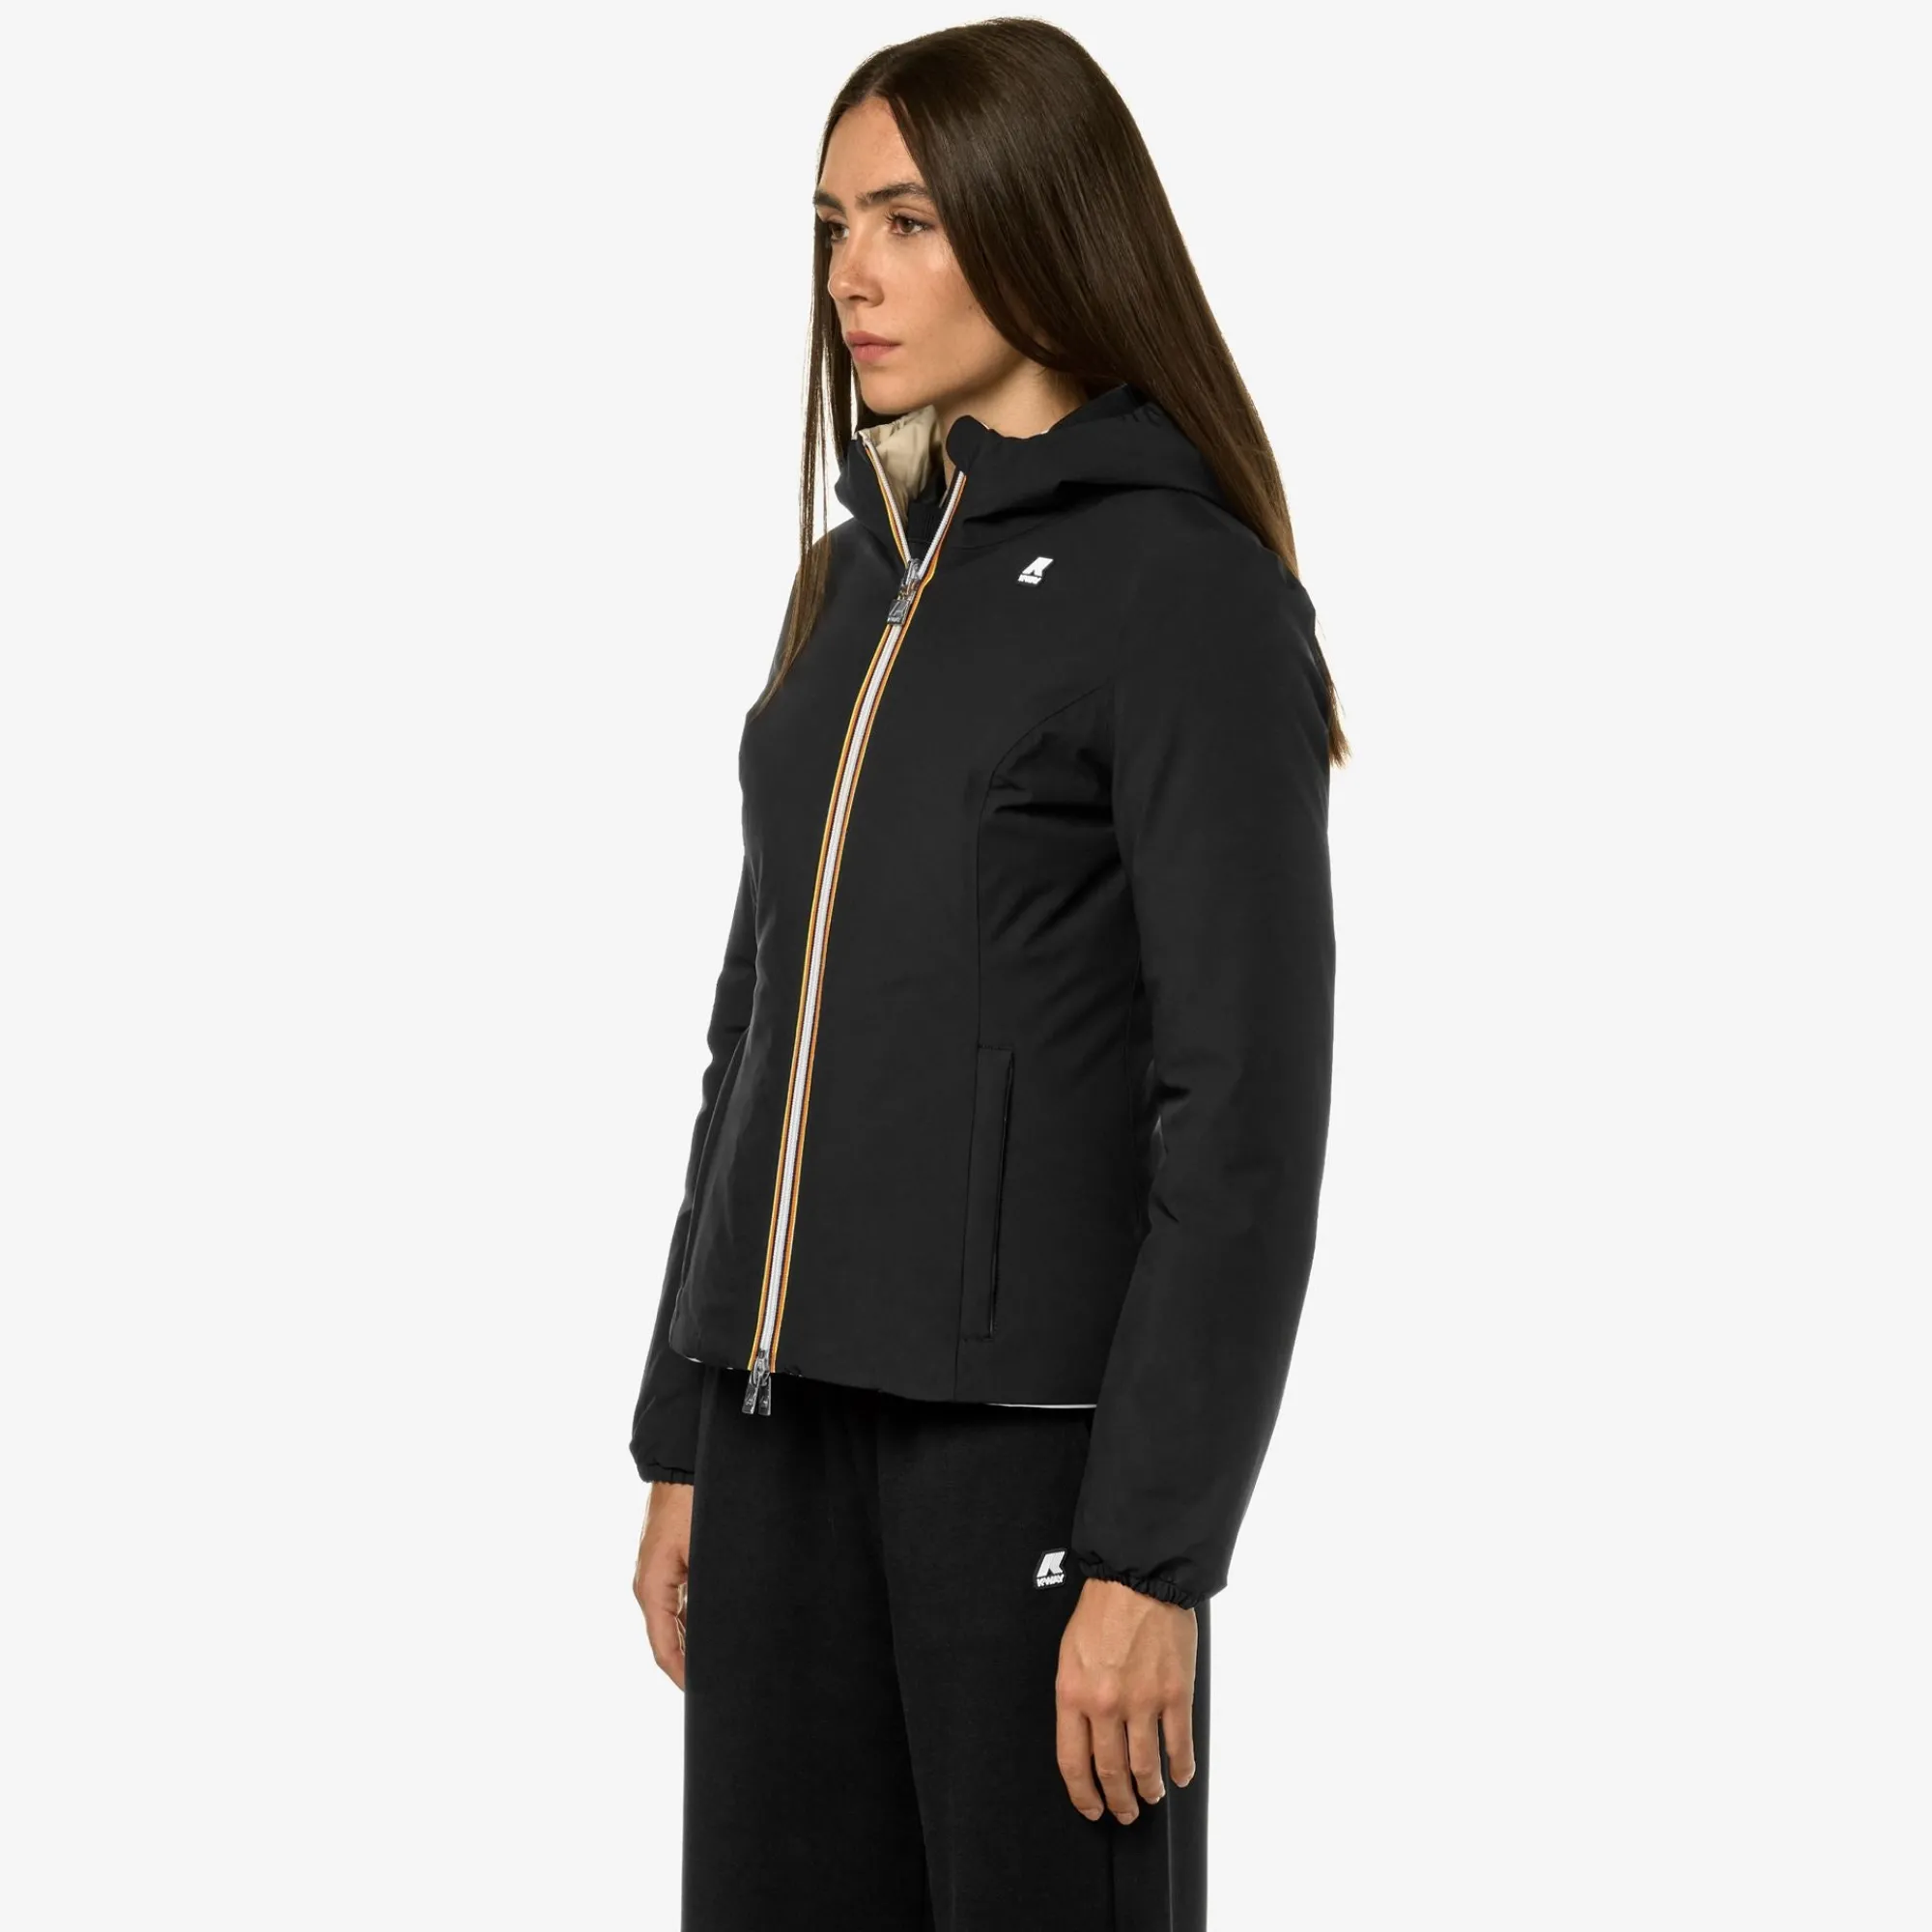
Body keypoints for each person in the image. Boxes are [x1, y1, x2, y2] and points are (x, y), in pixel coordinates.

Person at [628, 20, 1345, 1929]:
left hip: (1025, 1461)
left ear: (1039, 226)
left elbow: (1243, 1108)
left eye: (908, 221)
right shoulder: (851, 582)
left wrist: (1152, 1555)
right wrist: (681, 1427)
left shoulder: (1180, 589)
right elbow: (753, 1031)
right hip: (779, 1433)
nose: (850, 276)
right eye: (830, 227)